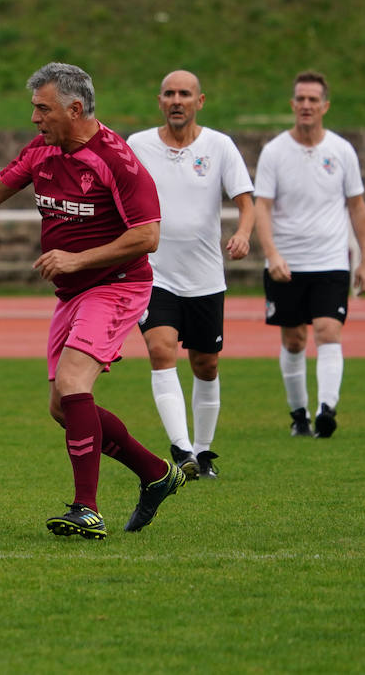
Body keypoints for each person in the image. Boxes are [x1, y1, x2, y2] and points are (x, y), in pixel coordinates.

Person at [0, 62, 185, 539]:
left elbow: (147, 236)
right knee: (63, 407)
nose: (35, 118)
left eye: (42, 109)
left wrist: (77, 260)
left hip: (118, 283)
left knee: (73, 383)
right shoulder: (42, 151)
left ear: (75, 108)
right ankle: (156, 473)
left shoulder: (117, 160)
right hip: (74, 291)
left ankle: (87, 509)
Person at [127, 71, 255, 480]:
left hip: (205, 277)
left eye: (185, 94)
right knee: (161, 350)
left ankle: (203, 451)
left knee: (206, 363)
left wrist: (244, 233)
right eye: (169, 94)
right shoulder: (138, 145)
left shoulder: (219, 146)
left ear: (200, 100)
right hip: (154, 273)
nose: (177, 100)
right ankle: (181, 450)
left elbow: (246, 202)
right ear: (159, 100)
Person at [254, 71, 365, 438]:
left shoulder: (341, 151)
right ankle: (299, 415)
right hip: (287, 262)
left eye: (313, 100)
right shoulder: (274, 151)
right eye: (300, 99)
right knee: (293, 340)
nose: (306, 105)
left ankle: (327, 409)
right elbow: (262, 207)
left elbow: (357, 207)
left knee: (327, 331)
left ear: (325, 106)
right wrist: (272, 254)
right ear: (293, 105)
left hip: (331, 262)